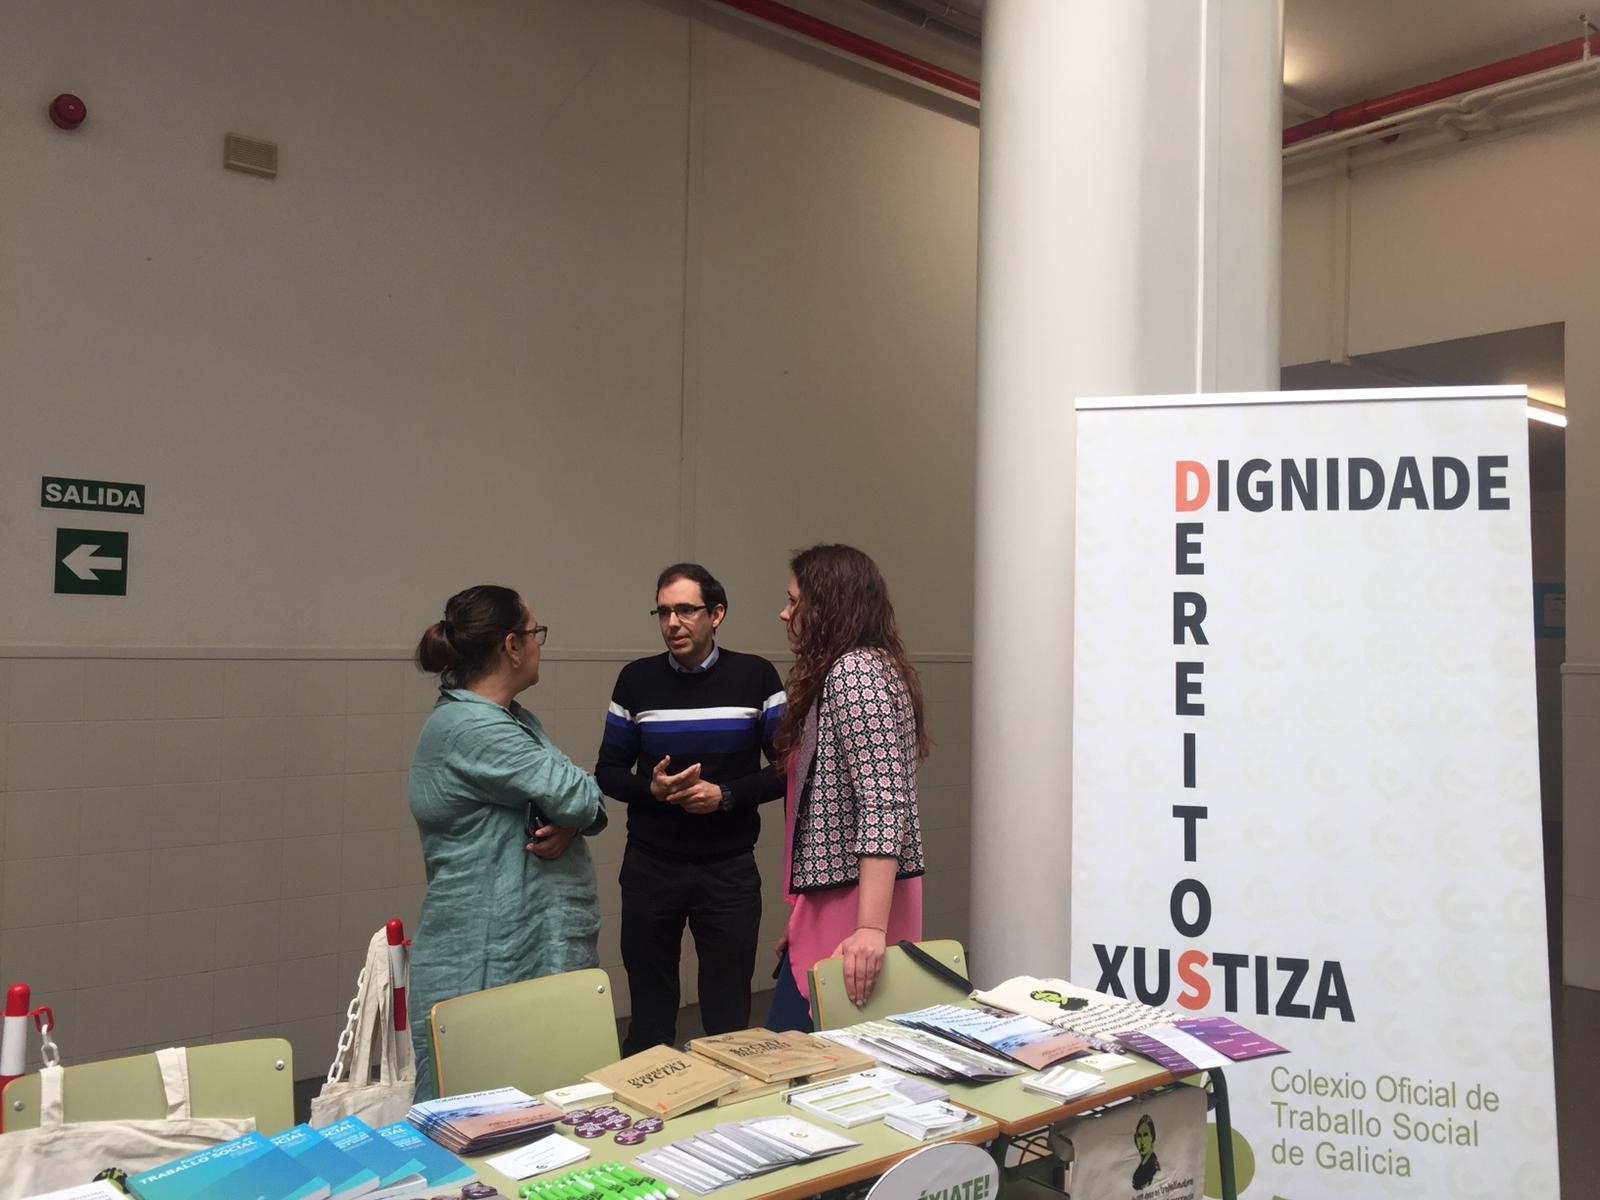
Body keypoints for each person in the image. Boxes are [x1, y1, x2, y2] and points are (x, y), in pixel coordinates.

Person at [407, 584, 607, 1100]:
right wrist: (574, 811)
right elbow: (580, 796)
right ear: (512, 646)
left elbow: (580, 806)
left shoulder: (511, 718)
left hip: (520, 945)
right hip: (485, 956)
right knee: (478, 1112)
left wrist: (571, 818)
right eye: (535, 633)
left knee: (542, 1103)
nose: (540, 644)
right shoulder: (472, 727)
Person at [596, 563, 786, 1054]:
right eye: (663, 612)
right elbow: (608, 772)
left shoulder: (756, 676)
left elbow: (788, 769)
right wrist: (653, 790)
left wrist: (726, 795)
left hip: (728, 871)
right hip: (650, 867)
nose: (672, 623)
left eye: (685, 610)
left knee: (727, 1016)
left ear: (716, 614)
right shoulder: (635, 680)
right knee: (650, 1016)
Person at [766, 544, 927, 1032]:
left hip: (857, 906)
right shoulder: (859, 669)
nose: (785, 613)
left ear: (827, 606)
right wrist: (804, 916)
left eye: (794, 601)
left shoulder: (856, 672)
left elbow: (883, 803)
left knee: (811, 1056)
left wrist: (869, 928)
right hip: (836, 900)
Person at [1131, 1112, 1160, 1190]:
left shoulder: (1153, 1167)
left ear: (1152, 1138)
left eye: (1145, 1135)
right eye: (1139, 1136)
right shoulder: (1139, 1171)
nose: (1142, 1141)